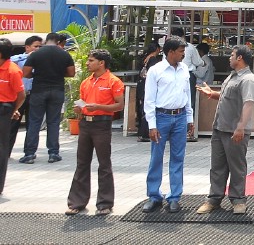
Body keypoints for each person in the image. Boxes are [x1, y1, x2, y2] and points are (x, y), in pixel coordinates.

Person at [196, 45, 254, 215]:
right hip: (220, 128)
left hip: (234, 131)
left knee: (236, 166)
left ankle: (238, 200)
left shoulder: (248, 79)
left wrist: (241, 127)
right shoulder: (232, 76)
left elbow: (249, 103)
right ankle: (214, 199)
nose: (229, 58)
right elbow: (226, 97)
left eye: (231, 55)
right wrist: (212, 93)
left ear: (240, 58)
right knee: (217, 166)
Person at [65, 49, 125, 216]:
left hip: (102, 124)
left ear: (101, 63)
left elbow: (119, 106)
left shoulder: (113, 81)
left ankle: (105, 203)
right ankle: (77, 202)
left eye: (91, 60)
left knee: (104, 164)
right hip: (85, 123)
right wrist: (80, 109)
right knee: (82, 162)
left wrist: (98, 107)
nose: (87, 63)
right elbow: (82, 103)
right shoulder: (86, 82)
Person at [141, 37, 194, 213]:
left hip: (179, 116)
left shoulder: (184, 69)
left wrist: (189, 119)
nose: (183, 54)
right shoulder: (156, 70)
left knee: (178, 158)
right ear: (170, 52)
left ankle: (174, 197)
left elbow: (187, 95)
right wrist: (152, 125)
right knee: (156, 157)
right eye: (180, 51)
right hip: (161, 116)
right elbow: (149, 100)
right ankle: (154, 195)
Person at [20, 32, 74, 165]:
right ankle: (53, 153)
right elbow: (71, 73)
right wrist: (58, 74)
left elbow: (25, 73)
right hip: (57, 90)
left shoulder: (36, 54)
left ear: (46, 41)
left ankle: (30, 154)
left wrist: (36, 74)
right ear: (58, 42)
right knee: (53, 122)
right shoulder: (64, 54)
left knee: (35, 122)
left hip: (39, 90)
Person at [0, 38, 26, 197]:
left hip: (4, 108)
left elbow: (21, 95)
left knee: (1, 148)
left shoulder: (12, 70)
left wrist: (13, 110)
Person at [169, 26, 203, 142]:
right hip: (188, 75)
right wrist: (203, 62)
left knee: (174, 101)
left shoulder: (168, 48)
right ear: (183, 35)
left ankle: (174, 130)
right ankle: (188, 131)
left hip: (172, 74)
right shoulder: (190, 47)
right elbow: (198, 62)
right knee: (189, 101)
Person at [8, 35, 40, 156]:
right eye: (35, 46)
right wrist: (27, 56)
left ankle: (29, 152)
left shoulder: (41, 60)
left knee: (32, 125)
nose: (38, 49)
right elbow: (9, 61)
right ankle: (6, 152)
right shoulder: (17, 59)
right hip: (19, 96)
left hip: (34, 95)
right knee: (12, 125)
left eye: (40, 47)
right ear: (27, 47)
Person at [135, 43, 162, 142]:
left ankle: (141, 132)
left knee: (142, 109)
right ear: (157, 49)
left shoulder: (145, 58)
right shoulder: (153, 60)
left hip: (141, 85)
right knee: (147, 109)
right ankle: (145, 132)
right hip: (146, 86)